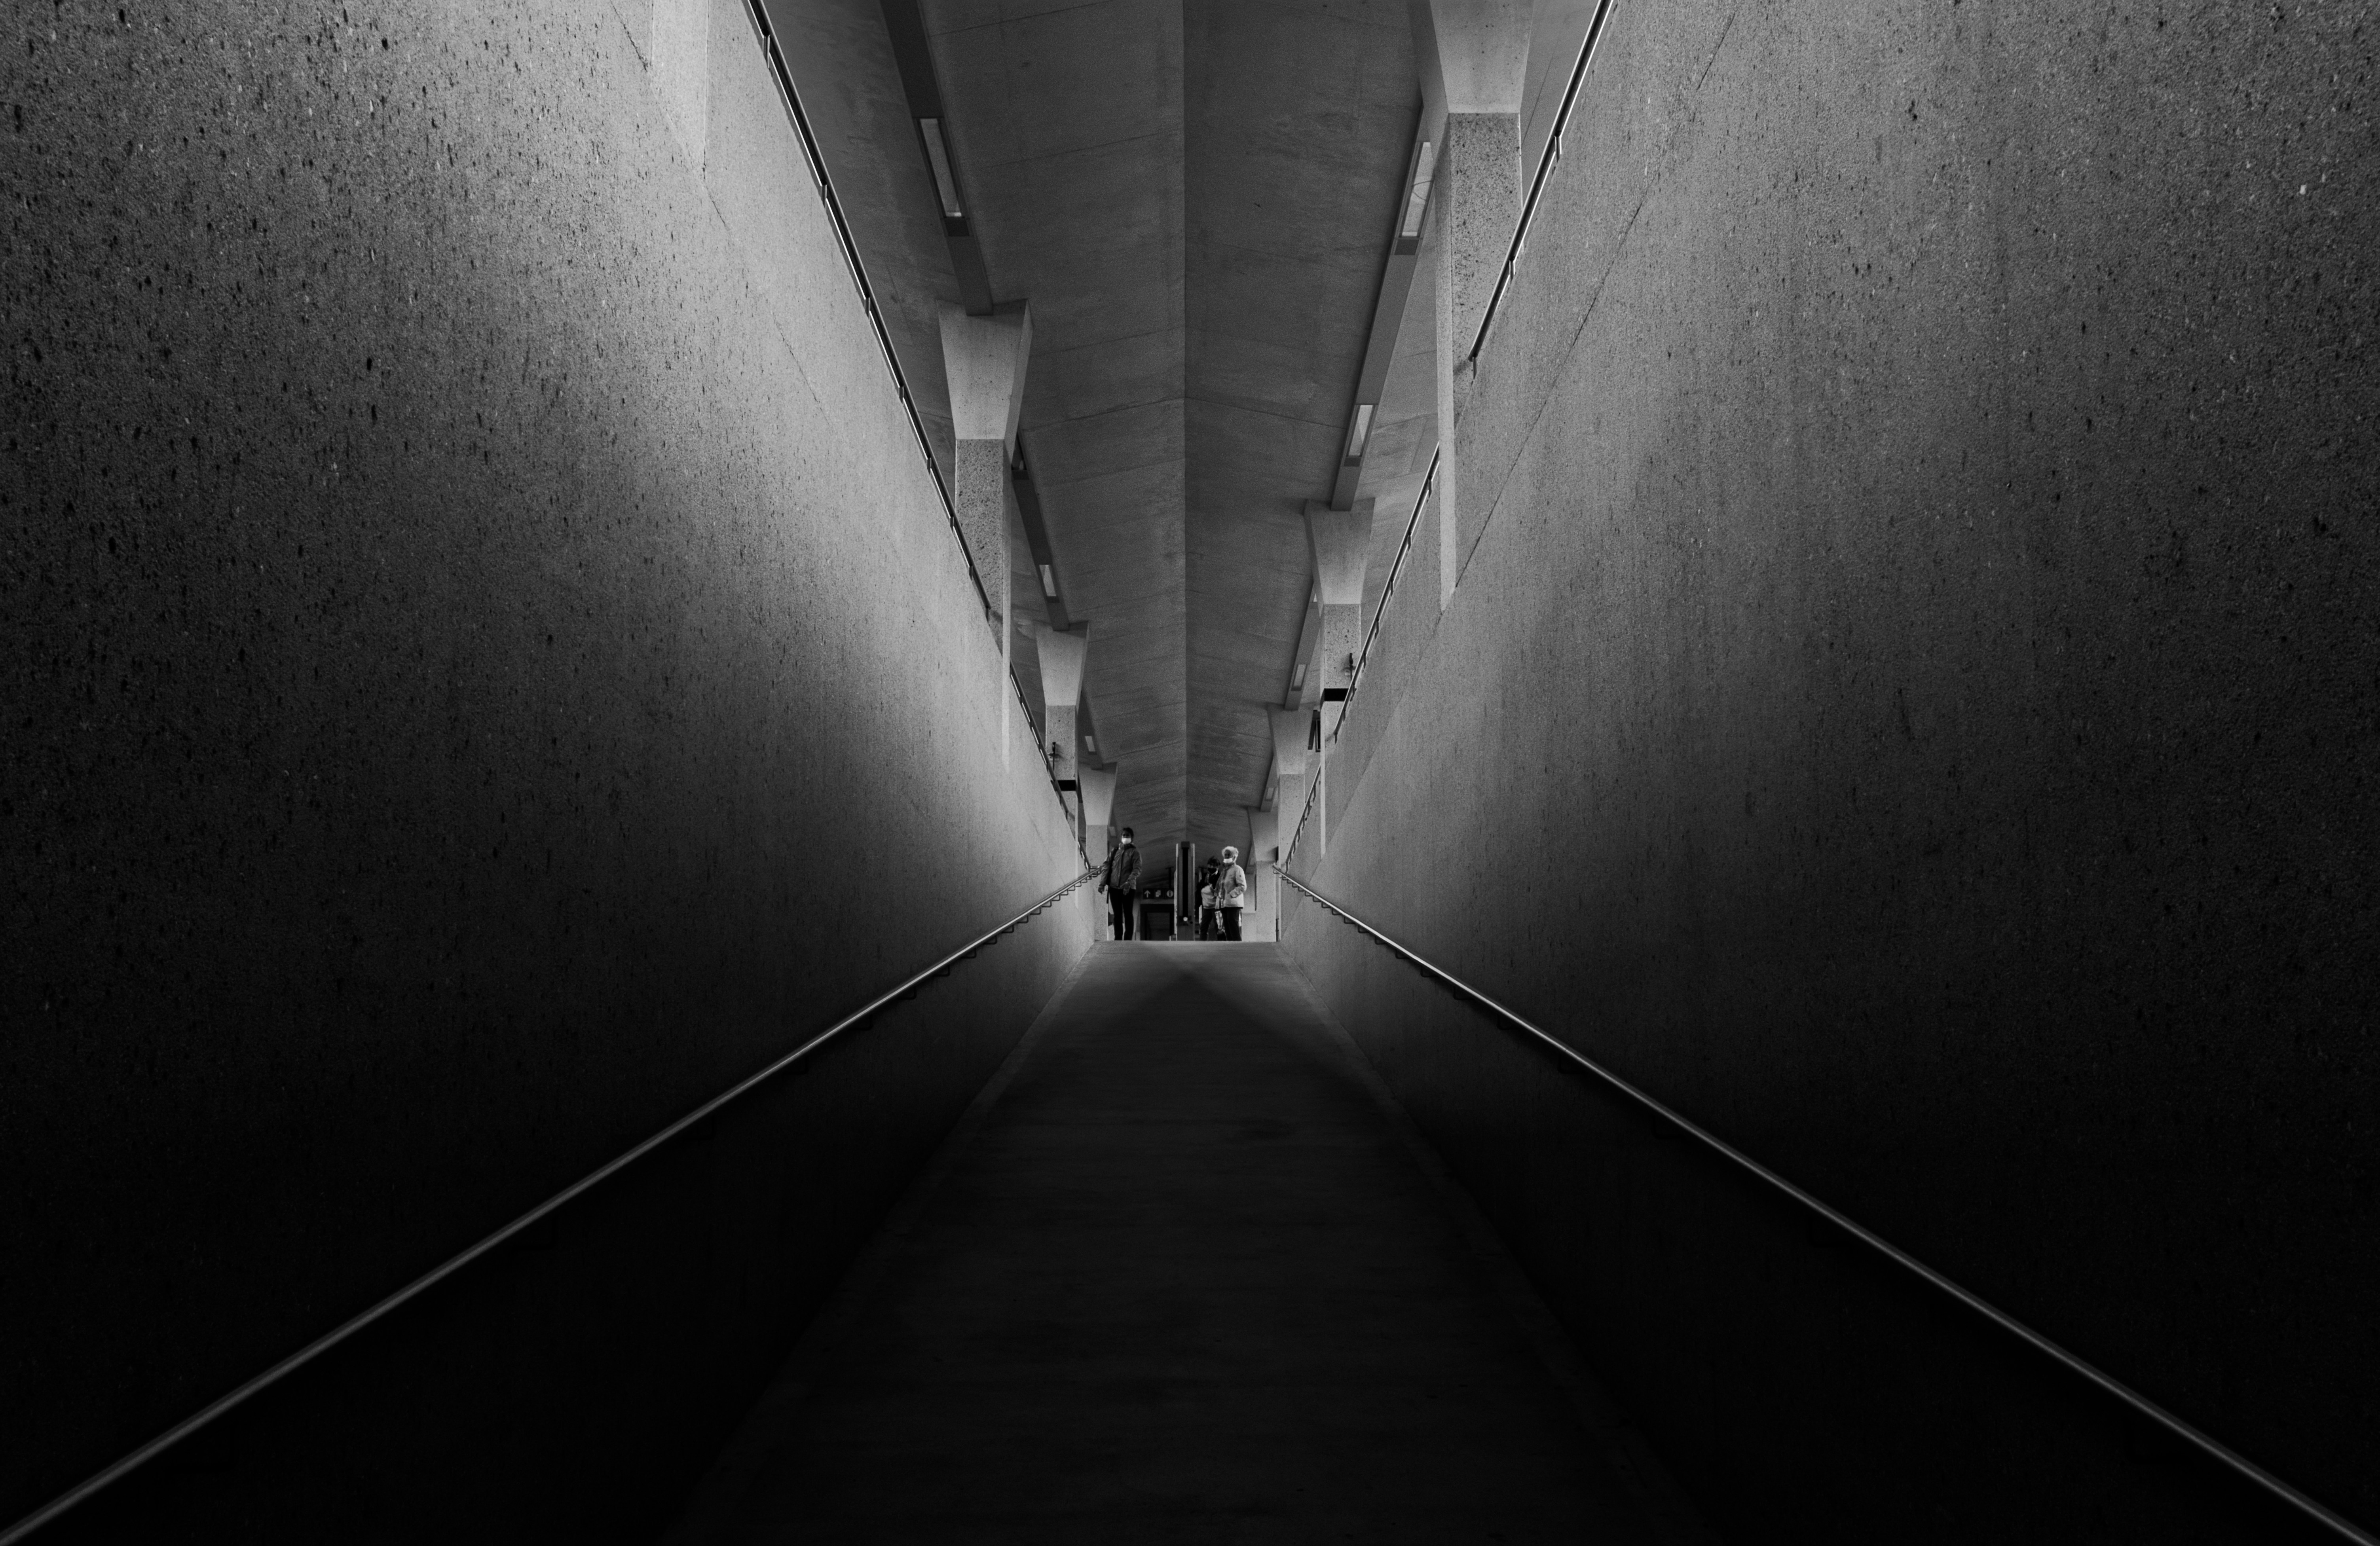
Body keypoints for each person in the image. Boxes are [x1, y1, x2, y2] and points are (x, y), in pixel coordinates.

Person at [1101, 827, 1141, 940]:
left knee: (1128, 913)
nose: (1125, 837)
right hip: (1114, 888)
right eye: (1124, 835)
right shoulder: (1115, 852)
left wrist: (1129, 881)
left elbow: (1137, 869)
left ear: (1132, 838)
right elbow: (1106, 866)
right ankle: (1118, 937)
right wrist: (1102, 883)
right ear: (1121, 837)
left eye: (1127, 835)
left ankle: (1128, 938)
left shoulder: (1135, 853)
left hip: (1128, 888)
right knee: (1117, 914)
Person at [1215, 846, 1248, 941]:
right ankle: (1230, 947)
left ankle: (1238, 947)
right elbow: (1221, 887)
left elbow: (1243, 887)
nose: (1226, 857)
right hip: (1224, 904)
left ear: (1234, 857)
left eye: (1229, 855)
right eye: (1225, 855)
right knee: (1227, 926)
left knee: (1233, 925)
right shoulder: (1224, 872)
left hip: (1233, 903)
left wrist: (1231, 895)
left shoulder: (1237, 870)